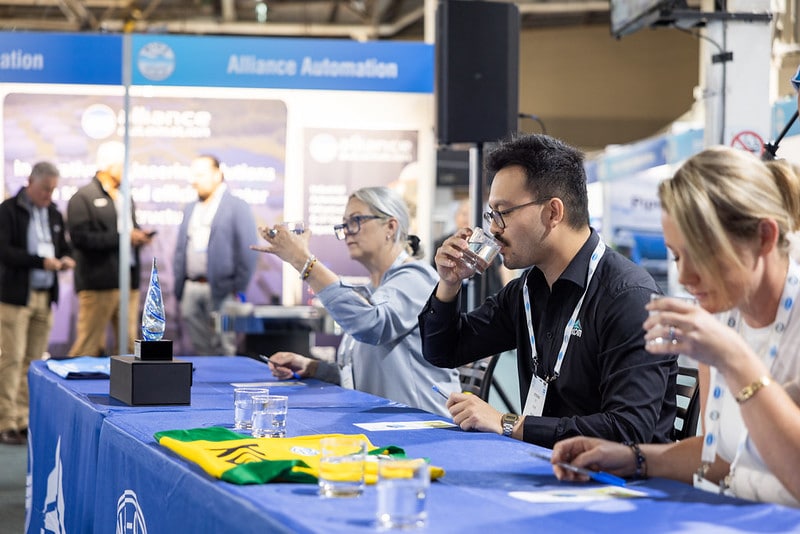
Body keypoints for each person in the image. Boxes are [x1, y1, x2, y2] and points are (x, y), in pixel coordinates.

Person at [551, 146, 800, 507]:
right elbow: (722, 458)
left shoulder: (732, 338)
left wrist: (734, 360)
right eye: (678, 255)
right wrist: (633, 457)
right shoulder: (721, 316)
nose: (684, 277)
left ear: (764, 237)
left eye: (701, 254)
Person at [419, 133, 677, 447]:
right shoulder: (528, 291)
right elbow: (444, 351)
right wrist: (449, 283)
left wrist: (507, 423)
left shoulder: (629, 297)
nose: (494, 228)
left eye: (503, 212)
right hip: (541, 463)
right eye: (491, 214)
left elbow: (628, 430)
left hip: (608, 474)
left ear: (553, 213)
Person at [252, 186, 461, 417]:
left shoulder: (416, 277)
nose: (348, 232)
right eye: (344, 224)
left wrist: (303, 261)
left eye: (356, 220)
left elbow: (372, 325)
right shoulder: (375, 288)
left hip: (424, 425)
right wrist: (312, 367)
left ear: (391, 227)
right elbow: (361, 375)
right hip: (391, 422)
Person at [0, 162, 74, 445]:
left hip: (45, 295)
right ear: (30, 182)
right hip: (16, 298)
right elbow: (4, 251)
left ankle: (23, 419)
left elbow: (63, 246)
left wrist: (66, 259)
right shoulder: (8, 210)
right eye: (44, 189)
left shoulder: (54, 212)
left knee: (32, 362)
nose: (48, 195)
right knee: (12, 359)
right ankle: (6, 421)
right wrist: (40, 262)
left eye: (52, 190)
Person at [67, 141, 153, 357]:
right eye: (123, 165)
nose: (127, 171)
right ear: (109, 166)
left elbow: (129, 229)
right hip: (98, 283)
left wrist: (139, 236)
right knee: (89, 346)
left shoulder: (125, 196)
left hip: (128, 282)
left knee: (129, 347)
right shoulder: (83, 198)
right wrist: (123, 238)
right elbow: (80, 239)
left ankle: (125, 380)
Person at [174, 155, 257, 355]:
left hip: (222, 289)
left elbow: (248, 250)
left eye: (200, 175)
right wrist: (180, 286)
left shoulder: (237, 206)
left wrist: (237, 288)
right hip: (191, 287)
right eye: (193, 175)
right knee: (200, 348)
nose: (194, 180)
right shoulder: (191, 208)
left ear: (217, 175)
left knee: (224, 346)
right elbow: (181, 249)